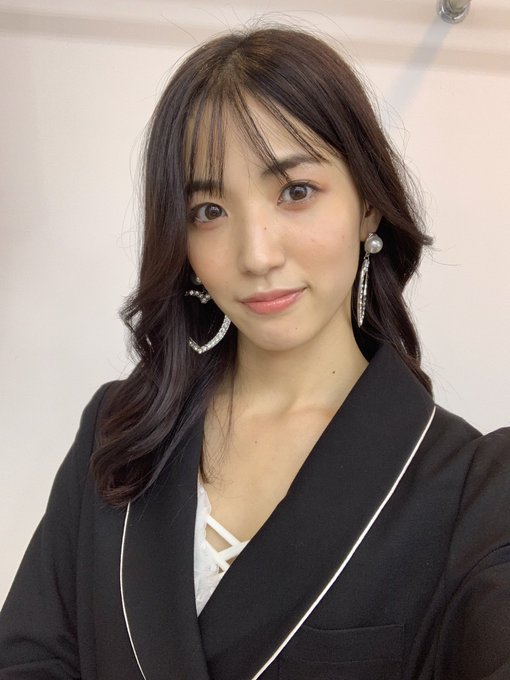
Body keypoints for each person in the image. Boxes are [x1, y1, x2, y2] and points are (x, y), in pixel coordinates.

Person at [0, 25, 509, 680]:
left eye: (296, 192)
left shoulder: (469, 488)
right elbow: (29, 658)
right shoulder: (117, 433)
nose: (256, 254)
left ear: (368, 208)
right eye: (209, 210)